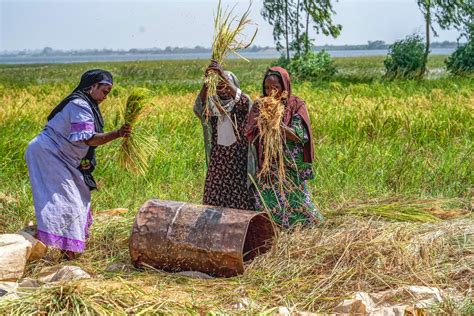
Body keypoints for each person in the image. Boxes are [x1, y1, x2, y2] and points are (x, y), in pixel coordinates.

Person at [25, 69, 131, 260]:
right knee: (69, 202)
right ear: (92, 87)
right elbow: (88, 139)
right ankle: (67, 254)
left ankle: (67, 252)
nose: (106, 97)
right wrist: (117, 133)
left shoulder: (89, 105)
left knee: (78, 198)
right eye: (105, 91)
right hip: (48, 154)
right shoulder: (79, 104)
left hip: (64, 158)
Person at [246, 66, 324, 228]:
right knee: (267, 199)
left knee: (297, 198)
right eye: (267, 88)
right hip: (268, 163)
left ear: (284, 87)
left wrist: (275, 123)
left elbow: (299, 135)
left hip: (289, 164)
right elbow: (250, 132)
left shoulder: (296, 105)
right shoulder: (260, 105)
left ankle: (311, 227)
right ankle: (273, 230)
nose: (270, 92)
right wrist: (261, 122)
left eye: (275, 87)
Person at [194, 61, 256, 210]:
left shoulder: (240, 104)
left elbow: (246, 102)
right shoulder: (213, 105)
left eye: (226, 85)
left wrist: (222, 75)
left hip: (238, 158)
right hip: (219, 157)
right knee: (215, 194)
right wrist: (207, 83)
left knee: (239, 195)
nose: (222, 89)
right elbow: (198, 108)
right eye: (219, 85)